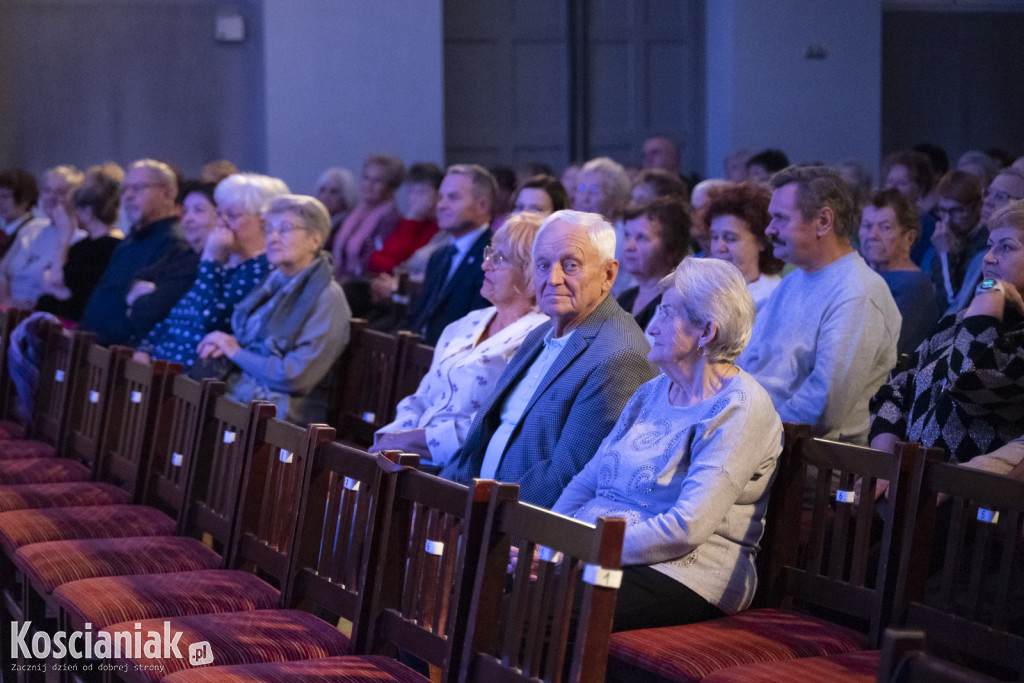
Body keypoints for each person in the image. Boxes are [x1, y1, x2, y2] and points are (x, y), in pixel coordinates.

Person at [552, 256, 782, 629]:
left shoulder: (740, 408)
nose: (652, 327)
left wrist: (588, 550)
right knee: (495, 580)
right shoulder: (653, 390)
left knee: (541, 607)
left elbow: (687, 527)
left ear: (706, 332)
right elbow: (587, 480)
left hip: (681, 575)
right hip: (598, 551)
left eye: (666, 314)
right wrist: (550, 543)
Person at [440, 209, 656, 508]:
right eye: (543, 265)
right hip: (473, 508)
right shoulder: (542, 331)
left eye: (570, 265)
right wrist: (442, 500)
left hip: (516, 534)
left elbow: (566, 479)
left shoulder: (619, 357)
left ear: (608, 274)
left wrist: (478, 517)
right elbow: (481, 436)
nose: (552, 279)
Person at [737, 166, 900, 444]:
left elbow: (823, 406)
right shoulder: (792, 281)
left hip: (807, 462)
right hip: (759, 442)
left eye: (779, 219)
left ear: (824, 221)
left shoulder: (858, 292)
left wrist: (747, 437)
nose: (769, 230)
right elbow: (748, 363)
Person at [373, 213, 549, 465]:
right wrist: (390, 439)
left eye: (500, 259)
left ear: (531, 271)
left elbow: (494, 426)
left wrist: (410, 443)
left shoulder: (538, 338)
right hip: (408, 454)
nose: (485, 265)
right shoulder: (467, 323)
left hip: (457, 471)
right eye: (490, 253)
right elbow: (421, 398)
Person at [869, 200, 1024, 464]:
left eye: (1006, 247)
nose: (988, 257)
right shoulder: (956, 321)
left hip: (968, 498)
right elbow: (894, 391)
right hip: (906, 483)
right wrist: (887, 468)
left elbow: (971, 379)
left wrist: (990, 292)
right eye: (989, 246)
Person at [197, 195, 350, 425]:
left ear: (315, 240)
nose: (273, 238)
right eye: (269, 229)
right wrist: (223, 342)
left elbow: (295, 376)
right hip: (249, 395)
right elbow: (256, 341)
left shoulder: (327, 296)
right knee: (188, 397)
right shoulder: (275, 282)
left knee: (196, 414)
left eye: (285, 229)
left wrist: (234, 351)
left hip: (287, 416)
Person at [137, 174, 288, 370]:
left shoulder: (264, 270)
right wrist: (145, 348)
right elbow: (179, 315)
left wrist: (211, 261)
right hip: (163, 372)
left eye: (232, 215)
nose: (222, 223)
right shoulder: (227, 265)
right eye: (220, 214)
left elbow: (209, 320)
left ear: (265, 221)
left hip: (197, 383)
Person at [79, 159, 198, 346]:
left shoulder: (177, 244)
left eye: (138, 188)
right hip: (94, 347)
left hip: (123, 356)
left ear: (166, 193)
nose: (127, 196)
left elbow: (152, 312)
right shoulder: (131, 239)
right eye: (125, 189)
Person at [403, 164, 494, 345]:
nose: (441, 205)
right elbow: (419, 317)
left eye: (453, 198)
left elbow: (478, 327)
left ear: (482, 205)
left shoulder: (493, 256)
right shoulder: (439, 256)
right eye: (441, 197)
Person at [859, 188, 939, 356]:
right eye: (866, 226)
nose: (872, 235)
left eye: (885, 227)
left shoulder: (914, 285)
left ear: (909, 237)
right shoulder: (862, 275)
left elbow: (879, 349)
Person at [35, 169, 123, 322]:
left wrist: (65, 234)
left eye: (75, 208)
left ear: (88, 211)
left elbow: (56, 281)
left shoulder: (111, 248)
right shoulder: (83, 245)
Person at [0, 166, 85, 306]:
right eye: (47, 190)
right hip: (9, 311)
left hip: (42, 316)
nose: (51, 197)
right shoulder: (30, 228)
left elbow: (59, 288)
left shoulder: (80, 240)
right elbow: (3, 273)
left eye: (60, 192)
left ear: (75, 198)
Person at [943, 167, 1024, 315]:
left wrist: (944, 253)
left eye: (999, 196)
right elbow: (953, 310)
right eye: (987, 193)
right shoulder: (979, 256)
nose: (986, 201)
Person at [703, 182, 785, 311]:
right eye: (714, 237)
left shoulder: (775, 297)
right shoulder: (699, 288)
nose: (719, 247)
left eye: (731, 238)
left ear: (762, 242)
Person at [617, 197, 691, 329]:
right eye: (627, 235)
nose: (629, 246)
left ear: (671, 247)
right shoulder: (624, 298)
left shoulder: (676, 306)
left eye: (641, 238)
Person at [331, 154, 404, 281]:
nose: (369, 185)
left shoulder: (392, 220)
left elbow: (374, 262)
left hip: (364, 289)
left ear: (391, 186)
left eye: (377, 181)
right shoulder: (353, 214)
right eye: (366, 178)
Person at [926, 171, 984, 311]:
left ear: (977, 207)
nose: (947, 220)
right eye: (941, 211)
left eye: (956, 211)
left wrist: (945, 255)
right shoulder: (946, 236)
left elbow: (952, 305)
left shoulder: (985, 245)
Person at [882, 150, 936, 265]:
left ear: (919, 189)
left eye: (901, 183)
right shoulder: (879, 220)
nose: (893, 189)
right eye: (889, 181)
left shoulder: (926, 224)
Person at [0, 169, 46, 260]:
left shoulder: (34, 234)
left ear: (25, 200)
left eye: (5, 196)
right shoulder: (5, 232)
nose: (0, 202)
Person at [315, 166, 358, 246]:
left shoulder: (349, 227)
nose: (325, 196)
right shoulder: (312, 224)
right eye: (322, 190)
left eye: (334, 192)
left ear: (346, 197)